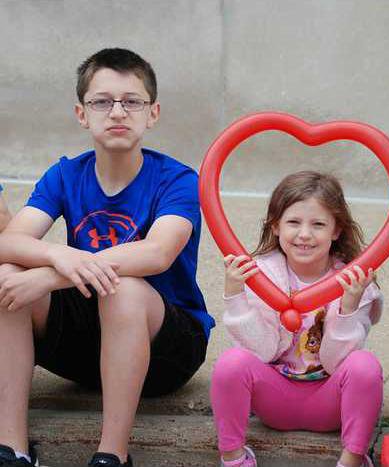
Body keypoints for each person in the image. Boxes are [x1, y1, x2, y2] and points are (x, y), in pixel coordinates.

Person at [0, 48, 214, 467]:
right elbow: (8, 242)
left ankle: (112, 455)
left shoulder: (178, 179)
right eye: (102, 102)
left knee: (123, 289)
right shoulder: (66, 174)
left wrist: (52, 276)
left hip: (166, 351)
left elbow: (157, 253)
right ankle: (13, 449)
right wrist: (58, 255)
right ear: (82, 114)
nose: (117, 112)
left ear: (152, 113)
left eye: (131, 101)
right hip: (88, 347)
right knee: (8, 275)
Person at [210, 171, 383, 467]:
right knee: (230, 362)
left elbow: (338, 363)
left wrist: (348, 307)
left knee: (365, 365)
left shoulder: (354, 282)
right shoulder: (261, 275)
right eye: (293, 222)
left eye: (318, 224)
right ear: (275, 226)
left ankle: (353, 460)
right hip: (275, 400)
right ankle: (234, 458)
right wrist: (236, 295)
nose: (304, 234)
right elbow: (261, 351)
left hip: (331, 403)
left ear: (336, 230)